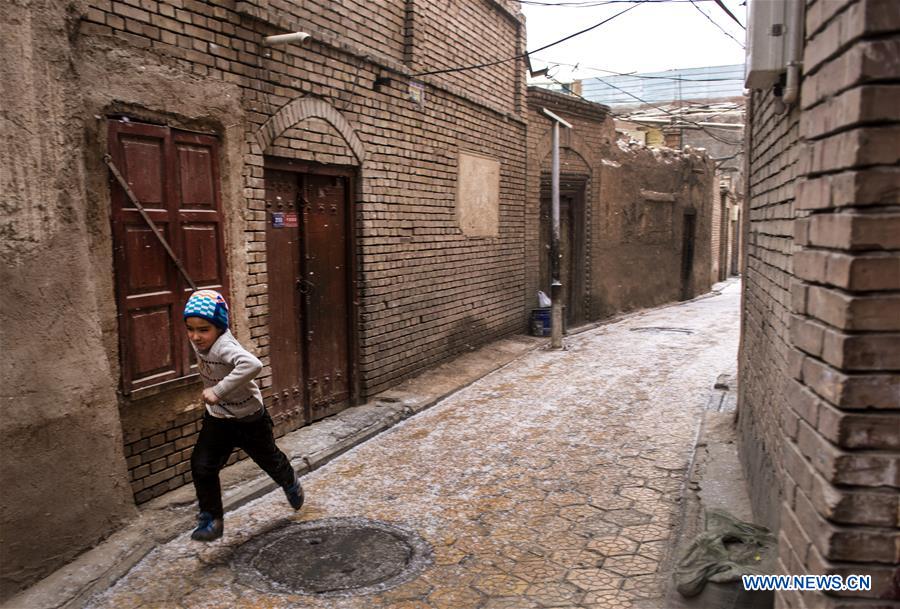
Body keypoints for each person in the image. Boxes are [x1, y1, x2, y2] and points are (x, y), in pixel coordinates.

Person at [183, 289, 303, 542]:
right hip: (218, 419)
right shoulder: (200, 340)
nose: (195, 336)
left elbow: (253, 364)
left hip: (249, 418)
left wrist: (218, 390)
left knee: (269, 460)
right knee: (202, 465)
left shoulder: (224, 345)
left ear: (219, 328)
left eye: (203, 329)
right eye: (190, 329)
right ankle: (211, 519)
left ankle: (290, 481)